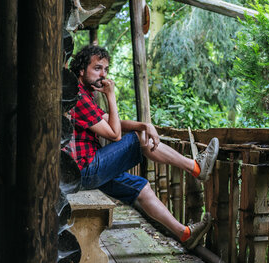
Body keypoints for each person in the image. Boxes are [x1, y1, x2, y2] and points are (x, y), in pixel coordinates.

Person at [63, 45, 219, 250]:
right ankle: (196, 168)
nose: (104, 75)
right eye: (98, 68)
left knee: (141, 187)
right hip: (85, 170)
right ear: (81, 70)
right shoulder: (79, 96)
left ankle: (185, 234)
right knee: (138, 139)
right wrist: (111, 96)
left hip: (84, 171)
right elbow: (115, 133)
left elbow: (108, 119)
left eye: (106, 70)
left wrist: (144, 124)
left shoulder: (84, 93)